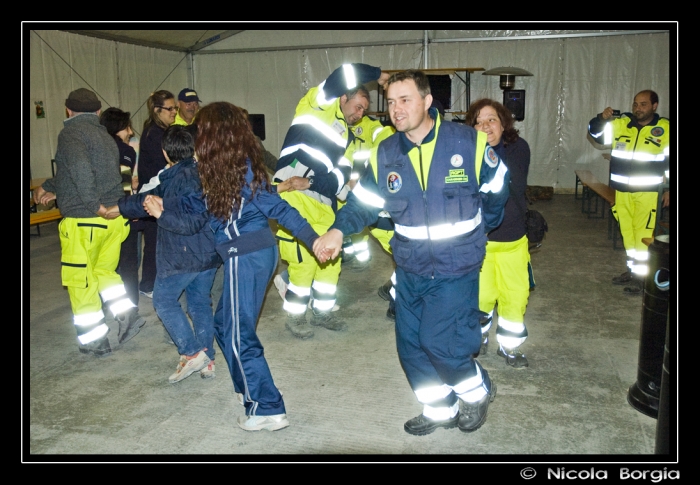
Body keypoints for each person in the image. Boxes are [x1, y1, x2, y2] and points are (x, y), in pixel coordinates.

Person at [312, 69, 509, 435]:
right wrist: (339, 229)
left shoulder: (467, 143)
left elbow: (497, 188)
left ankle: (477, 389)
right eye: (390, 102)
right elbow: (363, 203)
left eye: (405, 100)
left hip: (455, 267)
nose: (396, 109)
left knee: (442, 342)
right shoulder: (384, 154)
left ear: (427, 102)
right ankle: (440, 409)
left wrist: (482, 228)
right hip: (410, 266)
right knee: (411, 346)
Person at [162, 102, 322, 431]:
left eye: (202, 128)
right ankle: (248, 391)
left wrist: (314, 239)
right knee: (224, 326)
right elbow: (199, 212)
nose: (197, 132)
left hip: (245, 256)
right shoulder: (230, 166)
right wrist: (154, 207)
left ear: (215, 133)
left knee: (238, 336)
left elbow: (277, 207)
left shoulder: (239, 169)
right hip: (254, 253)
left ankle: (266, 408)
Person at [272, 62, 391, 339]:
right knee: (302, 262)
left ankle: (322, 311)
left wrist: (312, 182)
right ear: (342, 98)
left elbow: (341, 180)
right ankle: (296, 316)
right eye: (357, 106)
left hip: (324, 203)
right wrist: (378, 75)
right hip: (294, 197)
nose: (360, 114)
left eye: (364, 110)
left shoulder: (348, 139)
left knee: (330, 259)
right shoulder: (317, 105)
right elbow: (343, 73)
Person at [33, 88, 145, 356]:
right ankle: (127, 313)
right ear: (97, 112)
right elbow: (80, 171)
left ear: (68, 111)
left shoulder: (71, 133)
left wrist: (94, 206)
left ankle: (94, 340)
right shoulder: (104, 136)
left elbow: (82, 172)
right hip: (111, 223)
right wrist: (52, 187)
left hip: (86, 221)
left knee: (80, 282)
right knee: (103, 273)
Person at [116, 124, 221, 383]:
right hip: (208, 254)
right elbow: (143, 200)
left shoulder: (171, 178)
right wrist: (120, 207)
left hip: (182, 255)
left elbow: (187, 220)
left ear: (165, 152)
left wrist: (118, 207)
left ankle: (191, 351)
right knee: (199, 303)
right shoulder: (207, 173)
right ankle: (208, 359)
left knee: (163, 300)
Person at [465, 99, 532, 368]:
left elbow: (506, 180)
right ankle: (478, 338)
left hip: (513, 241)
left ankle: (510, 347)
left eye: (491, 119)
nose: (485, 126)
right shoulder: (466, 153)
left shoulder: (517, 148)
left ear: (503, 124)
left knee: (515, 297)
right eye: (478, 122)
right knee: (480, 297)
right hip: (481, 241)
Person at [588, 90, 670, 295]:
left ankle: (642, 279)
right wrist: (601, 118)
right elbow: (596, 135)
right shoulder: (621, 124)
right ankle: (633, 271)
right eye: (635, 104)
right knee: (627, 234)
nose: (637, 108)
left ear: (654, 106)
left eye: (643, 104)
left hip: (648, 193)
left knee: (642, 235)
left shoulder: (666, 128)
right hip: (622, 192)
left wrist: (669, 189)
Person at [134, 90, 178, 299]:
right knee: (153, 241)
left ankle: (156, 280)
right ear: (157, 110)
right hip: (152, 194)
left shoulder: (162, 131)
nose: (174, 112)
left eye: (175, 108)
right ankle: (148, 284)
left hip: (160, 193)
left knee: (160, 240)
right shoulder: (155, 134)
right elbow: (164, 167)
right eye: (170, 109)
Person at [99, 107, 142, 309]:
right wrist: (128, 209)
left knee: (103, 266)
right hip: (119, 215)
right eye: (127, 127)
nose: (131, 132)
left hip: (97, 215)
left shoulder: (95, 148)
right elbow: (123, 186)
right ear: (119, 128)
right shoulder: (125, 151)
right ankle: (130, 307)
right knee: (128, 266)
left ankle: (105, 303)